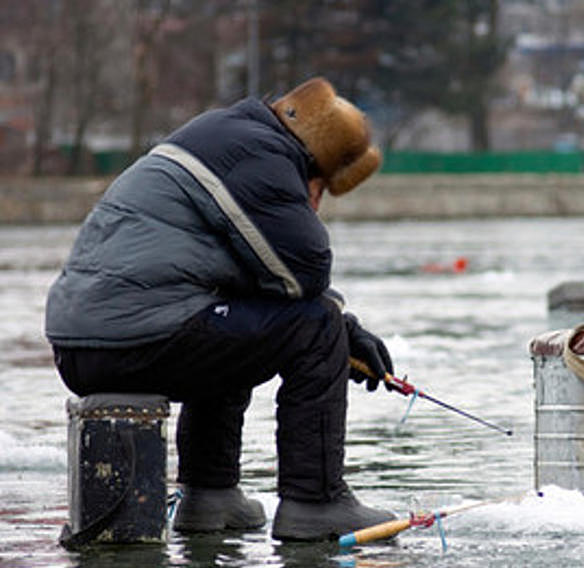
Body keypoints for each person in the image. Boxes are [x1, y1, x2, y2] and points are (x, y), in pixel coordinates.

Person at [45, 77, 399, 541]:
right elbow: (307, 268)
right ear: (315, 166)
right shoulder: (264, 157)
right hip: (139, 335)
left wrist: (344, 326)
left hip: (84, 347)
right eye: (320, 191)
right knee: (315, 328)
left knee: (234, 321)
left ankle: (210, 494)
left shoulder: (225, 135)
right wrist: (341, 329)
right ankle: (316, 501)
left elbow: (262, 286)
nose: (314, 204)